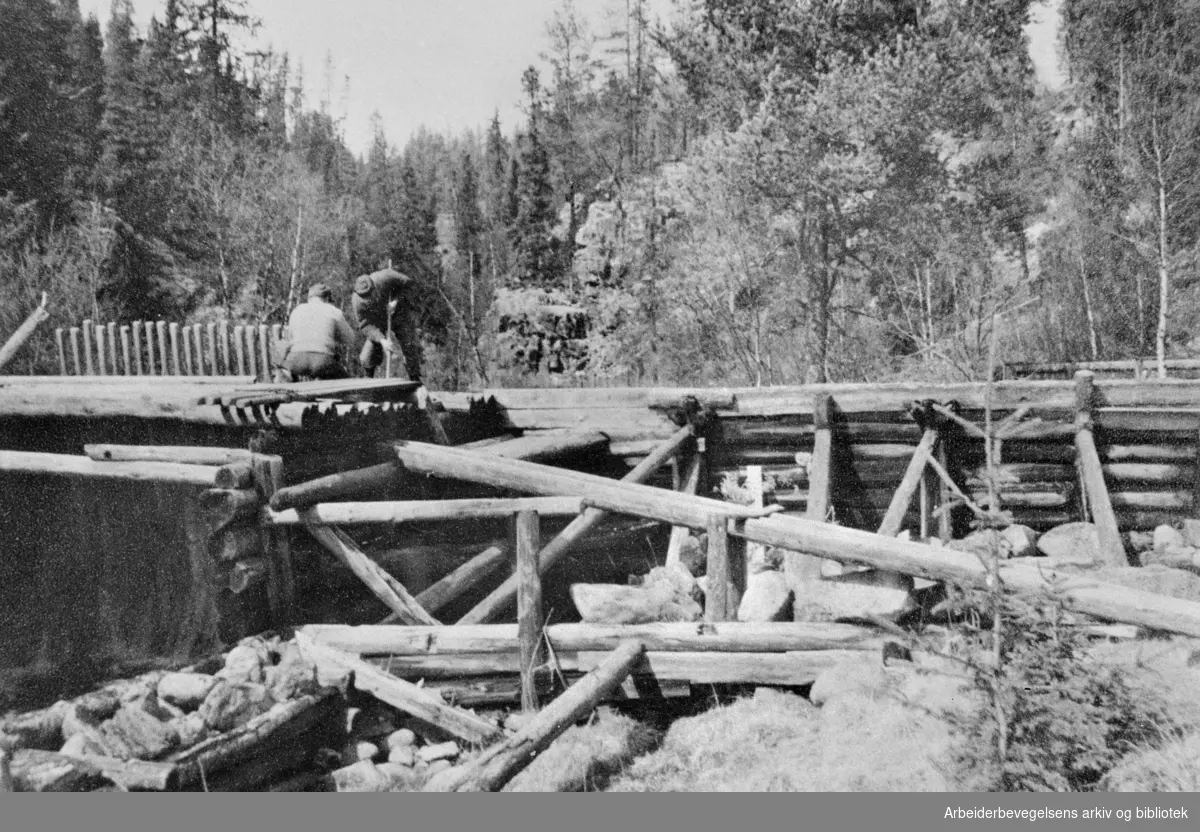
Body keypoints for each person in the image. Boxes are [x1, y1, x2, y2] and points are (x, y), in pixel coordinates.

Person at [351, 266, 422, 382]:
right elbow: (364, 325)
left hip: (399, 312)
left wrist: (396, 300)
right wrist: (381, 340)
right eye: (365, 297)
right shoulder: (356, 301)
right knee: (367, 355)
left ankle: (415, 379)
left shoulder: (385, 277)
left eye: (370, 295)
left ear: (374, 287)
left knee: (409, 342)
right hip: (378, 321)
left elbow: (409, 284)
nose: (368, 299)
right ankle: (368, 380)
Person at [280, 282, 356, 381]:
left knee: (287, 369)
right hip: (323, 361)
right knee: (346, 381)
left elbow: (288, 340)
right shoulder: (333, 311)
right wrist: (335, 338)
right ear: (327, 299)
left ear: (309, 298)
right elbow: (351, 339)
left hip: (296, 361)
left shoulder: (297, 310)